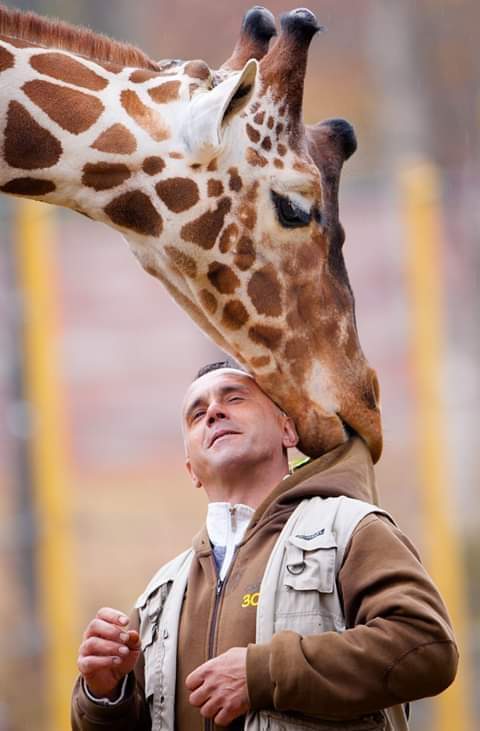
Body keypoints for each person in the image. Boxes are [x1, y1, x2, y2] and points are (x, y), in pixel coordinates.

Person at [71, 361, 458, 731]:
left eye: (234, 398)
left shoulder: (351, 528)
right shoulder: (160, 595)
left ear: (287, 431)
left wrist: (262, 674)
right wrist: (104, 695)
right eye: (197, 414)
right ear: (191, 470)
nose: (214, 412)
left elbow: (426, 646)